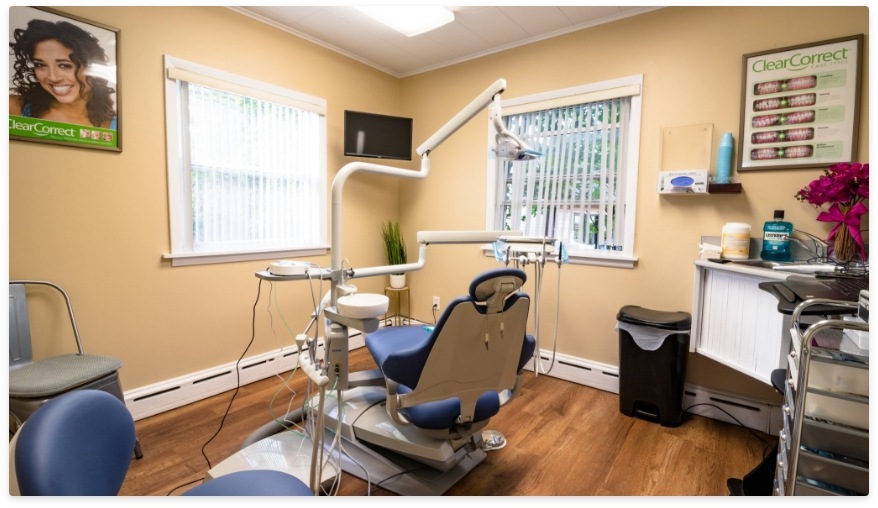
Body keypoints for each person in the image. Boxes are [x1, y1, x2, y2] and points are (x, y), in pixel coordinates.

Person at [9, 18, 116, 129]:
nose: (53, 77)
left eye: (65, 65)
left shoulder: (116, 128)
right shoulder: (13, 108)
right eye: (40, 65)